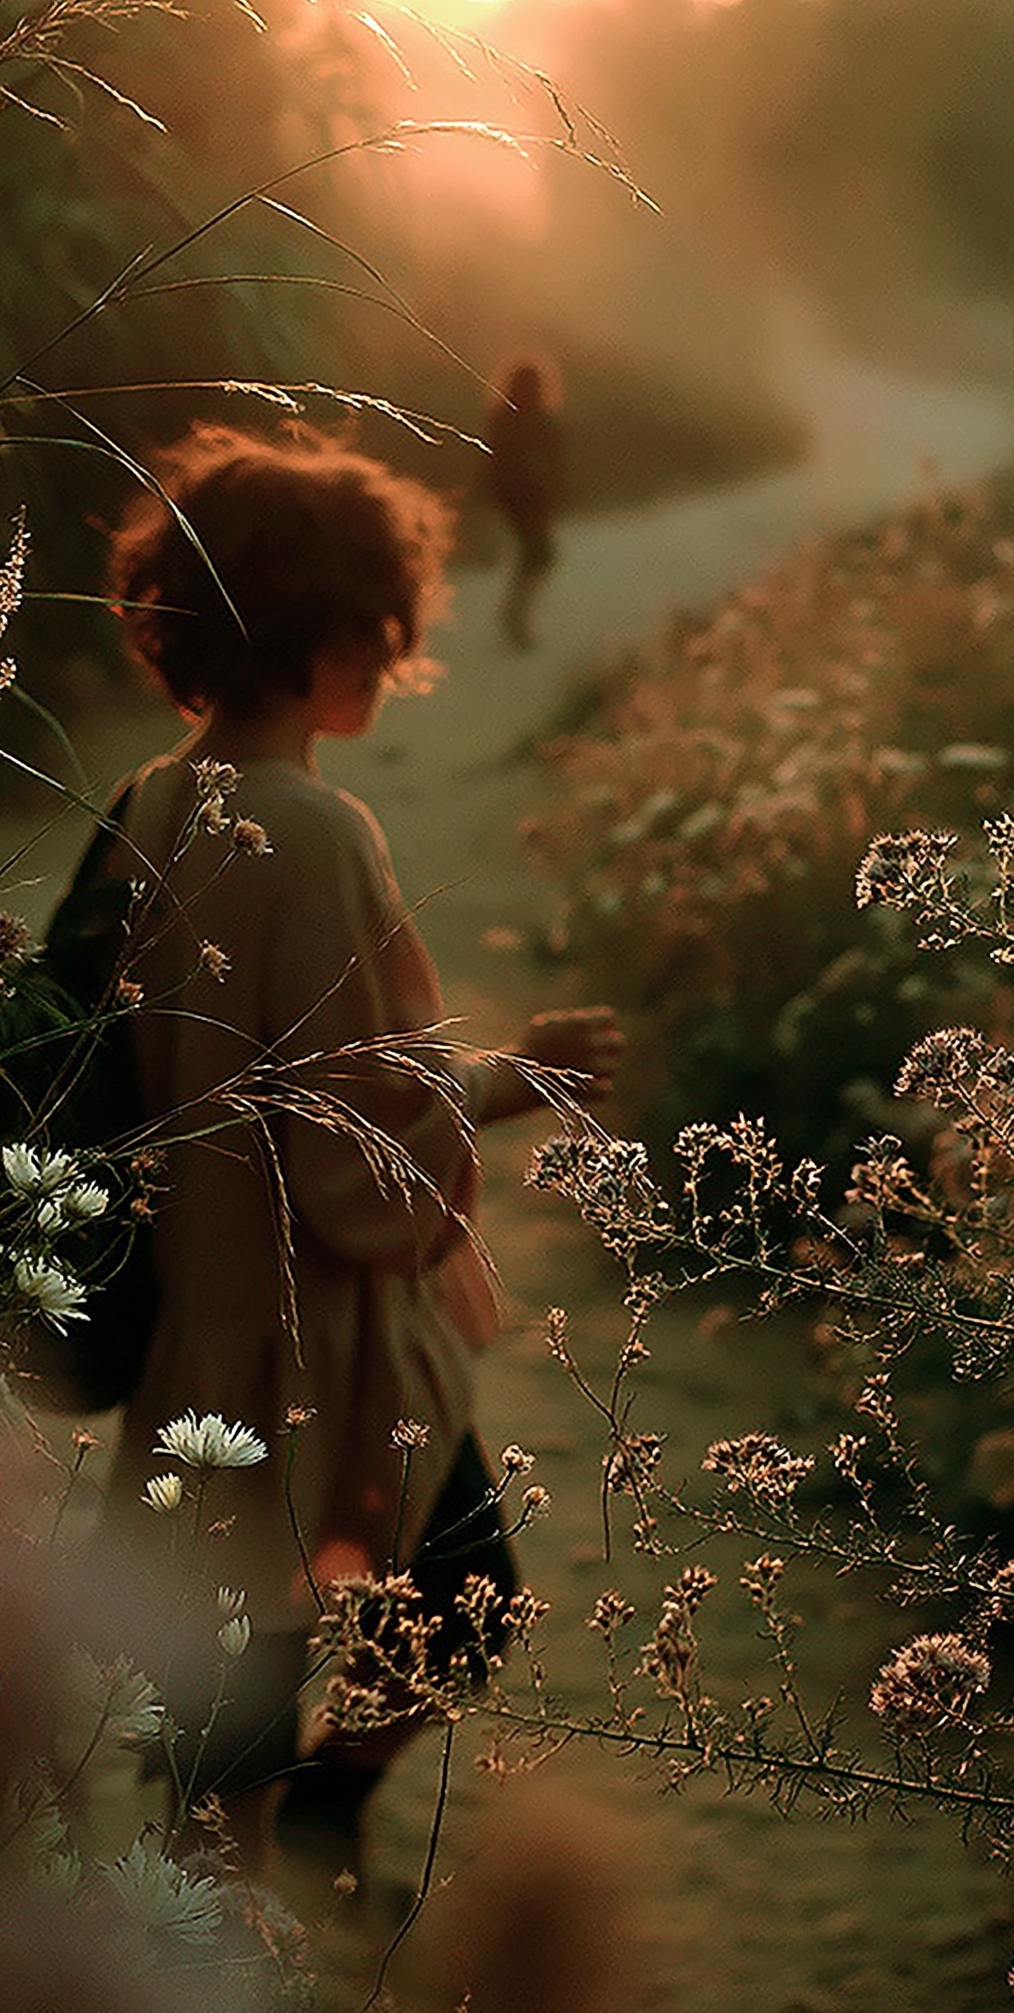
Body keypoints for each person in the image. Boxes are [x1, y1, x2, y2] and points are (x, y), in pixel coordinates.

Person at [94, 423, 623, 1879]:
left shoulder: (153, 802)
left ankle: (275, 1858)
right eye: (383, 631)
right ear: (327, 633)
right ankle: (274, 1876)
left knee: (231, 1690)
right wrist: (519, 1085)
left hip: (202, 1327)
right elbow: (345, 1132)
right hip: (309, 1341)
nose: (393, 660)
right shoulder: (311, 828)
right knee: (427, 1621)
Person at [481, 353, 566, 650]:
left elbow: (494, 462)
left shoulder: (504, 416)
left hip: (514, 496)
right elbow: (550, 462)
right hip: (526, 497)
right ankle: (515, 617)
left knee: (537, 555)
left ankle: (515, 615)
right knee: (540, 555)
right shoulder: (537, 418)